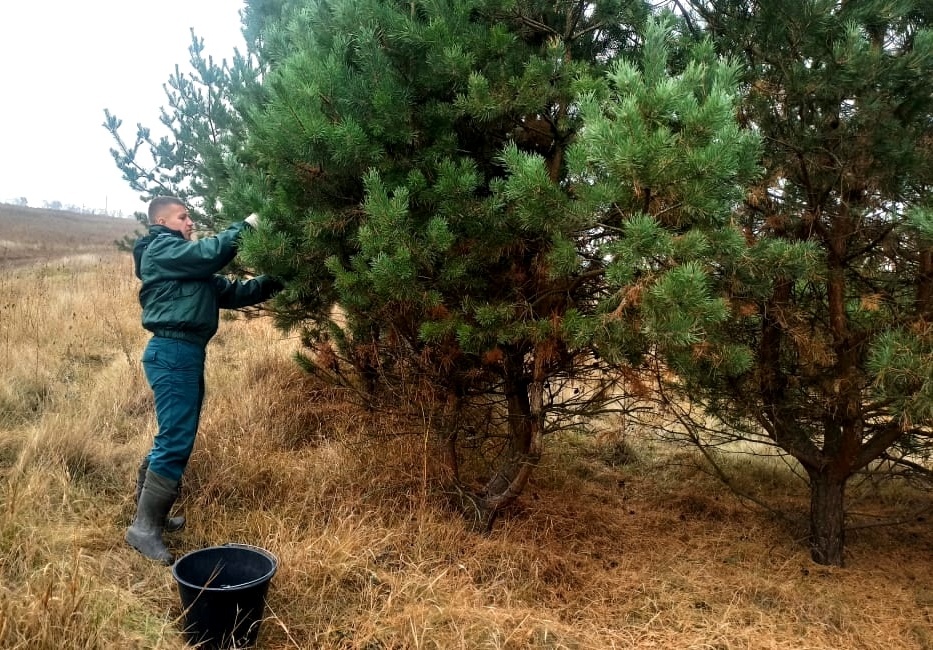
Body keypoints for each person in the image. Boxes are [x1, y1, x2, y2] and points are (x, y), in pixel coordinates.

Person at [126, 196, 281, 565]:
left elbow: (238, 292)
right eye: (183, 217)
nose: (190, 222)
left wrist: (282, 276)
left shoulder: (187, 267)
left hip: (185, 353)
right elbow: (210, 253)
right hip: (173, 351)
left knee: (175, 434)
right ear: (162, 221)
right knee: (176, 437)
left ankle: (152, 516)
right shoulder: (161, 248)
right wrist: (250, 224)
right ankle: (144, 529)